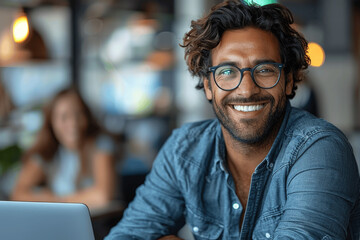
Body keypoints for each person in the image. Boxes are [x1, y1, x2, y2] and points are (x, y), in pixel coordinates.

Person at [105, 1, 360, 239]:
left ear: (289, 80)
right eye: (227, 71)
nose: (246, 90)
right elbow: (126, 235)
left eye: (265, 70)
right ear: (207, 85)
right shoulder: (184, 150)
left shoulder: (320, 149)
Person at [11, 87, 117, 210]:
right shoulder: (49, 151)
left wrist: (57, 201)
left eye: (78, 114)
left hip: (100, 224)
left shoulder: (101, 144)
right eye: (64, 117)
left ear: (87, 116)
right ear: (51, 122)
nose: (73, 124)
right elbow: (18, 194)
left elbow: (102, 196)